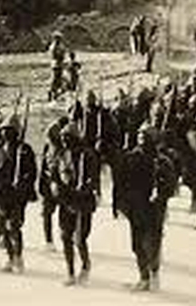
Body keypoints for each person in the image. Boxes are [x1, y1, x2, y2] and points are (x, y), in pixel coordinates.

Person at [113, 121, 175, 291]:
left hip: (153, 208)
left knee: (152, 243)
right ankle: (144, 277)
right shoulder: (130, 157)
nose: (141, 139)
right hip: (136, 207)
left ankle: (153, 274)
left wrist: (160, 194)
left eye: (145, 136)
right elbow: (121, 182)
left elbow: (170, 186)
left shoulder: (162, 161)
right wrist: (120, 204)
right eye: (140, 135)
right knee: (137, 245)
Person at [0, 114, 37, 273]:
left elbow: (31, 171)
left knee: (14, 226)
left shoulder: (24, 150)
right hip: (0, 193)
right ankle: (10, 256)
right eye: (4, 130)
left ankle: (18, 257)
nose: (6, 133)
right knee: (3, 226)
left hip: (17, 194)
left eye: (10, 130)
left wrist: (23, 182)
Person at [51, 123, 98, 286]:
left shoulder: (87, 155)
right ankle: (70, 272)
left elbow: (92, 178)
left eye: (68, 137)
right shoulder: (60, 155)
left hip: (83, 201)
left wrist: (84, 189)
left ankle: (85, 265)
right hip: (66, 200)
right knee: (65, 236)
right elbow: (55, 175)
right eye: (63, 137)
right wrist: (57, 189)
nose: (64, 140)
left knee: (79, 238)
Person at [38, 116, 69, 251]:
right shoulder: (47, 147)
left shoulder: (65, 148)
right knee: (46, 213)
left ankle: (65, 237)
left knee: (63, 213)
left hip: (61, 184)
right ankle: (49, 241)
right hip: (48, 183)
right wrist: (41, 183)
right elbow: (43, 166)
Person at [48, 31, 67, 101]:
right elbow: (57, 55)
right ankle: (53, 93)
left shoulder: (57, 46)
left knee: (58, 80)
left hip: (58, 64)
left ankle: (55, 94)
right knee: (56, 80)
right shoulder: (54, 47)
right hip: (56, 65)